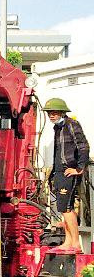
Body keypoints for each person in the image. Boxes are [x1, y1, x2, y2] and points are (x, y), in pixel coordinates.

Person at [45, 98, 89, 253]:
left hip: (67, 171)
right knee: (64, 208)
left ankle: (75, 243)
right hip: (59, 172)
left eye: (54, 112)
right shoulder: (58, 128)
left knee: (66, 208)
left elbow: (83, 146)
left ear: (62, 112)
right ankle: (68, 241)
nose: (51, 115)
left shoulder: (72, 124)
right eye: (49, 113)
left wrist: (79, 168)